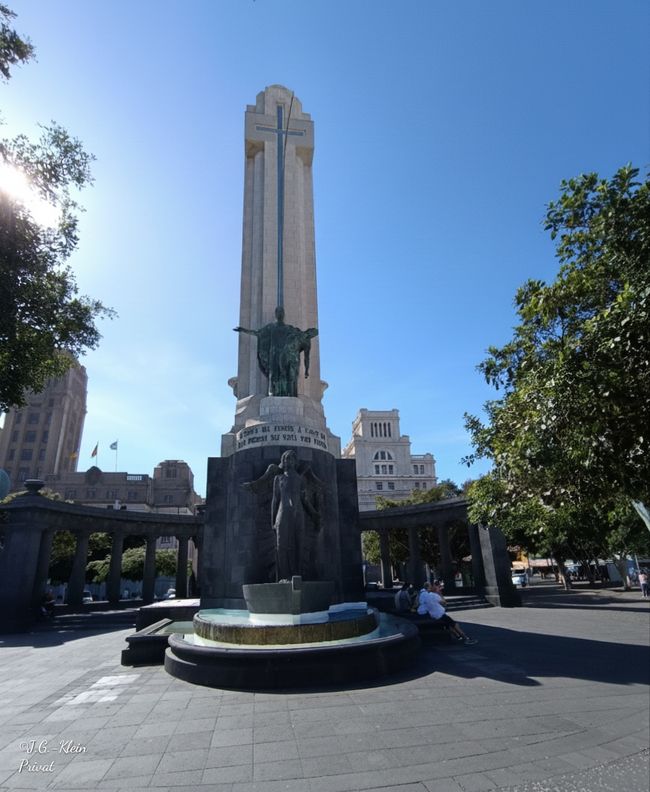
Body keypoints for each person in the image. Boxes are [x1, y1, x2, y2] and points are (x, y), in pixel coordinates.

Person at [234, 306, 318, 396]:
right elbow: (257, 333)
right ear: (275, 314)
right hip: (274, 356)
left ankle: (288, 394)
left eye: (281, 312)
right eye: (278, 312)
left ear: (284, 314)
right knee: (274, 377)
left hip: (286, 357)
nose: (280, 314)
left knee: (287, 376)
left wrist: (310, 333)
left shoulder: (289, 329)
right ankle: (274, 394)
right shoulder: (271, 327)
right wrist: (243, 330)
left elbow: (301, 337)